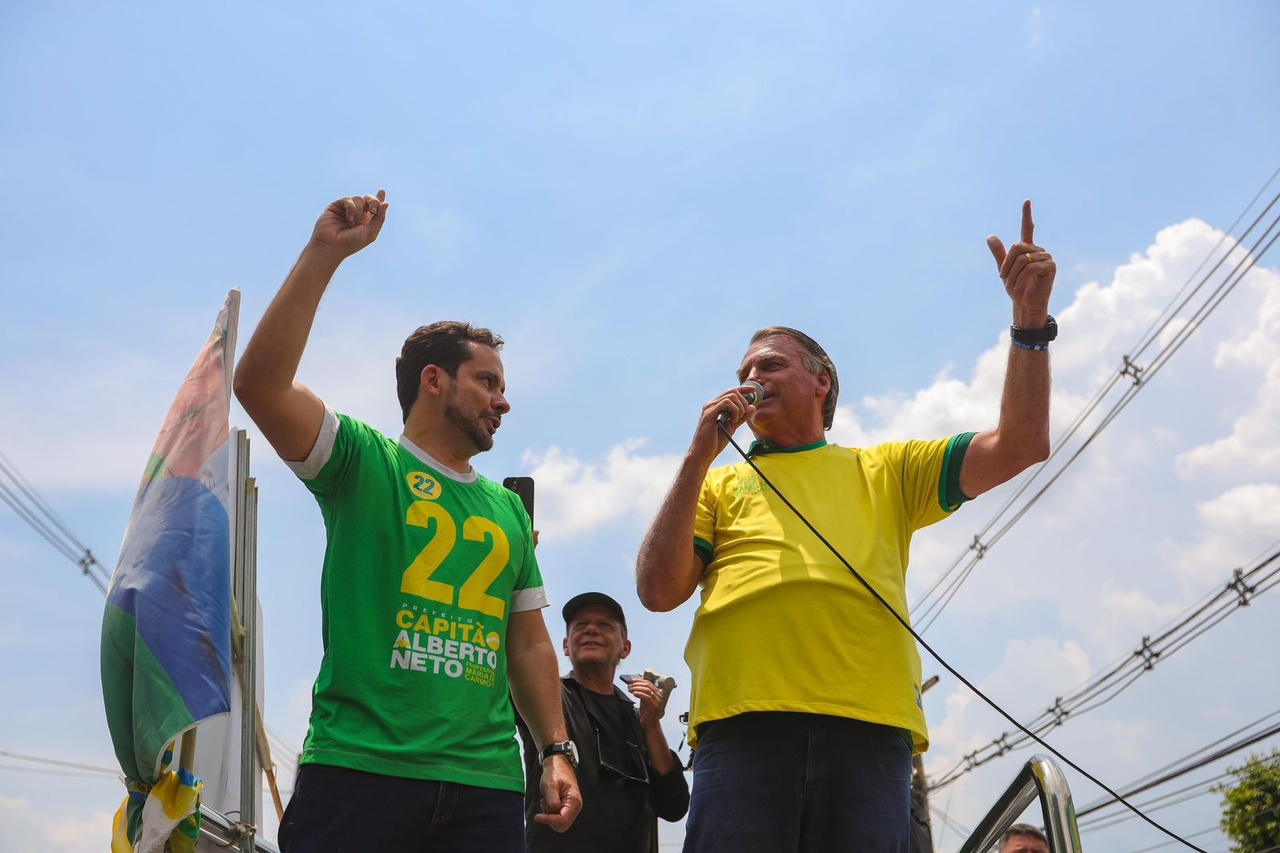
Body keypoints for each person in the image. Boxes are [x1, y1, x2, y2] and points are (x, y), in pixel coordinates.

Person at [635, 201, 1056, 852]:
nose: (751, 379)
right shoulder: (716, 480)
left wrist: (1029, 324)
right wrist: (697, 455)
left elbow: (1022, 443)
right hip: (743, 729)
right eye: (744, 372)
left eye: (769, 364)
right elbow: (659, 590)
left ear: (821, 381)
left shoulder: (886, 468)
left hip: (868, 731)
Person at [234, 189, 581, 851]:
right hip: (360, 769)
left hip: (487, 783)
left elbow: (530, 641)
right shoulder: (363, 462)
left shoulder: (507, 509)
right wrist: (325, 254)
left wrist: (555, 750)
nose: (504, 401)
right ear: (434, 381)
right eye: (487, 381)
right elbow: (259, 385)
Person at [517, 591, 690, 853]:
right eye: (581, 625)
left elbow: (674, 806)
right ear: (566, 645)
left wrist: (652, 726)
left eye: (605, 625)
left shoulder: (638, 718)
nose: (591, 631)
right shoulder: (545, 697)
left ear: (625, 647)